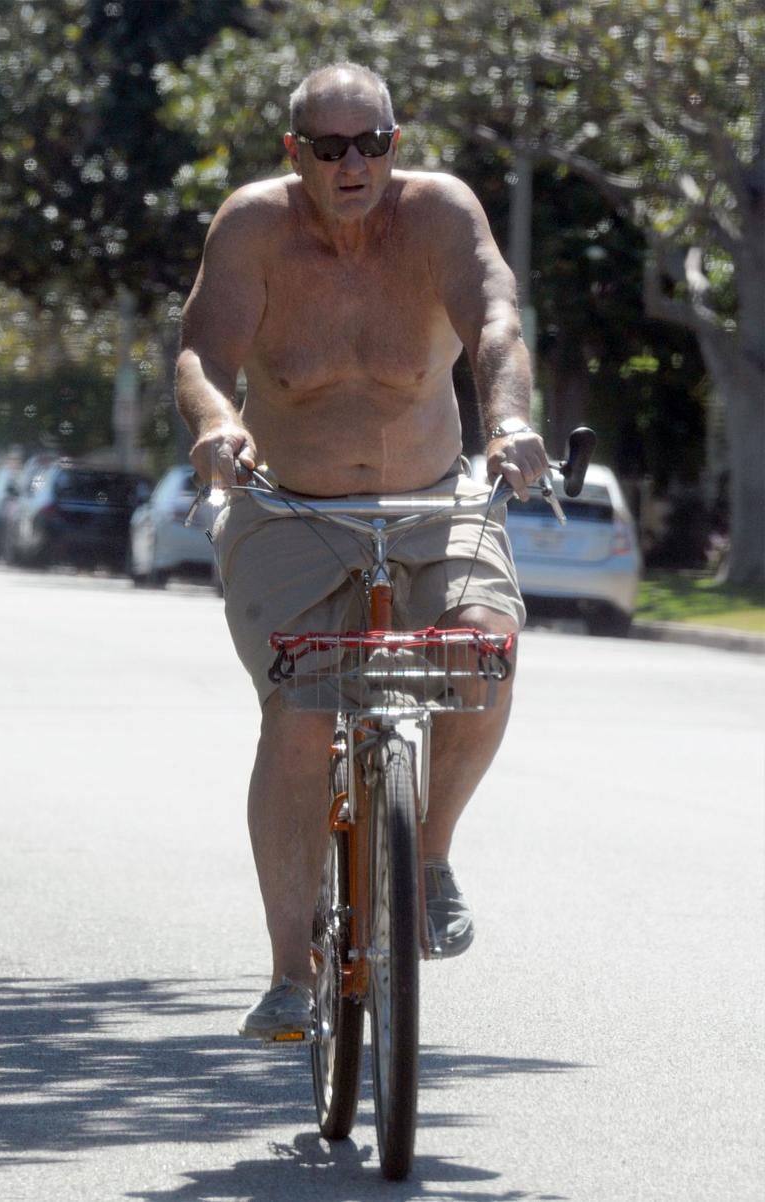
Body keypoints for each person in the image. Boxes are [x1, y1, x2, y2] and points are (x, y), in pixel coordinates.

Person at [176, 62, 548, 1039]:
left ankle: (424, 856)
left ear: (394, 141)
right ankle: (289, 974)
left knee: (485, 651)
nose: (353, 163)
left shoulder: (441, 216)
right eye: (329, 146)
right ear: (293, 152)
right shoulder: (253, 228)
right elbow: (202, 354)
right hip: (287, 509)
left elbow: (496, 326)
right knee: (300, 709)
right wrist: (217, 423)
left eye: (371, 142)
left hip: (432, 500)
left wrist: (507, 424)